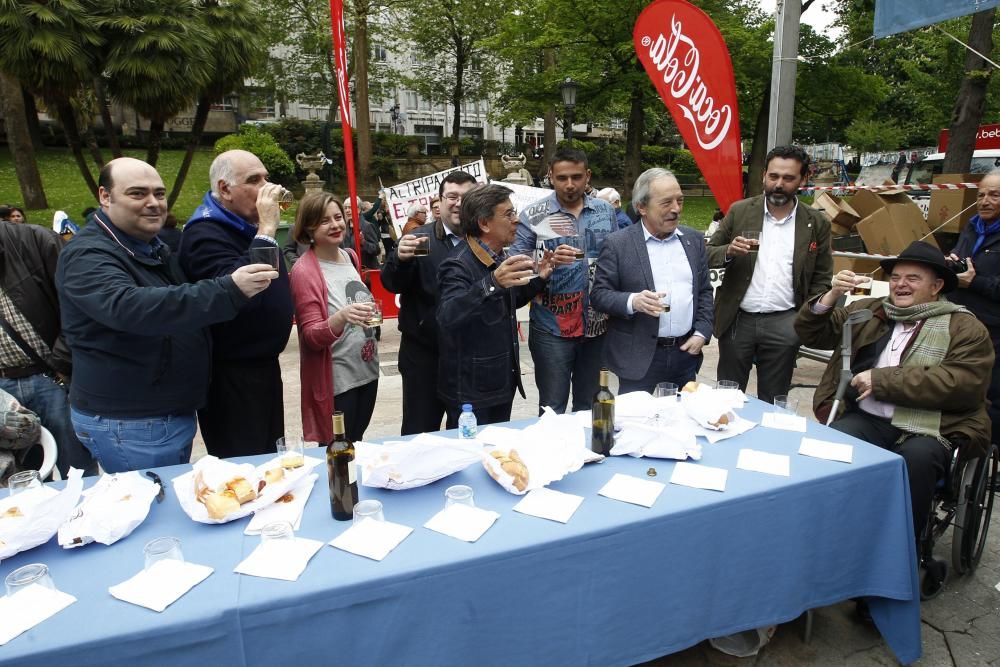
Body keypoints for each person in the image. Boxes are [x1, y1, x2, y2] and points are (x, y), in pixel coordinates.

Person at [57, 157, 278, 473]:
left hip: (160, 415)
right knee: (151, 510)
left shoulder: (149, 247)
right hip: (133, 420)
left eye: (159, 194)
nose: (153, 203)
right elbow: (133, 307)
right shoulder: (87, 254)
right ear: (105, 196)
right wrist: (229, 288)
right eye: (137, 194)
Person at [795, 241, 993, 539]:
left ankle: (900, 545)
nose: (901, 284)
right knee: (832, 447)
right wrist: (832, 295)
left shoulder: (964, 327)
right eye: (896, 277)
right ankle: (830, 533)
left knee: (916, 461)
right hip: (868, 418)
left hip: (932, 426)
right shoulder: (869, 311)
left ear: (937, 285)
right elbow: (812, 332)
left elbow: (962, 383)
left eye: (913, 278)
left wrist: (883, 380)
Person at [179, 149, 294, 459]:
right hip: (232, 377)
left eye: (266, 178)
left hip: (263, 367)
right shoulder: (204, 233)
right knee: (246, 465)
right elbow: (239, 293)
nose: (267, 187)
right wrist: (268, 230)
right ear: (224, 189)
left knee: (272, 458)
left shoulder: (243, 226)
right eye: (254, 180)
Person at [707, 145, 832, 404]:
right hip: (737, 320)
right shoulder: (740, 211)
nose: (779, 184)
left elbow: (822, 277)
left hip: (785, 322)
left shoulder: (816, 222)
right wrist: (729, 251)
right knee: (726, 400)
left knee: (774, 401)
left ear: (803, 179)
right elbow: (706, 253)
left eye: (788, 178)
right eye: (773, 176)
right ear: (764, 175)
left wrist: (802, 321)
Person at [437, 184, 554, 428]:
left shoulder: (498, 256)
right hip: (472, 392)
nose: (517, 220)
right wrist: (491, 282)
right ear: (484, 223)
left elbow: (508, 302)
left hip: (499, 383)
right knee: (471, 458)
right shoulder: (457, 264)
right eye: (509, 214)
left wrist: (540, 277)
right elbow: (448, 316)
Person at [510, 147, 617, 414]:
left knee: (590, 405)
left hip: (596, 326)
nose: (570, 185)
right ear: (550, 176)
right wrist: (542, 264)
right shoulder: (534, 215)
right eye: (562, 178)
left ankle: (588, 454)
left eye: (576, 177)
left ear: (588, 176)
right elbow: (515, 267)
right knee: (552, 408)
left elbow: (617, 259)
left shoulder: (606, 212)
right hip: (551, 328)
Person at [591, 169, 713, 392]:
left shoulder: (693, 240)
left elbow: (704, 291)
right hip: (638, 358)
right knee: (636, 424)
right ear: (642, 207)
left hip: (685, 355)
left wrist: (702, 333)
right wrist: (633, 301)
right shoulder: (618, 244)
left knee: (683, 424)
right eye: (666, 203)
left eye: (680, 200)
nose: (676, 209)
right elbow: (599, 294)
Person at [381, 171, 477, 435]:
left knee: (465, 431)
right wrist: (399, 260)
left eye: (465, 197)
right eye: (452, 197)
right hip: (424, 355)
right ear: (441, 200)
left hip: (468, 356)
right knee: (419, 431)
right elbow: (392, 284)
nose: (458, 203)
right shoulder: (419, 239)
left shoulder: (485, 239)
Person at [0, 217, 97, 477]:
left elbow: (81, 304)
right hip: (2, 393)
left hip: (52, 377)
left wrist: (62, 363)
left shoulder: (34, 240)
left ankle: (84, 515)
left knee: (77, 470)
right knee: (19, 480)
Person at [289, 192, 380, 443]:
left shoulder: (350, 255)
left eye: (338, 217)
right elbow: (310, 337)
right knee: (337, 452)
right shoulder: (304, 271)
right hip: (339, 382)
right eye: (324, 221)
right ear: (308, 227)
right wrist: (341, 317)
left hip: (367, 371)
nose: (336, 225)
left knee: (357, 443)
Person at [948, 170, 1000, 444]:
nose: (985, 201)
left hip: (994, 332)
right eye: (981, 195)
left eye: (994, 195)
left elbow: (981, 279)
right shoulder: (972, 227)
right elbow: (963, 263)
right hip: (962, 324)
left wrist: (975, 282)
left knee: (991, 399)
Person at [343, 196, 381, 270]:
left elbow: (376, 250)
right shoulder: (344, 228)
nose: (347, 210)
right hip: (352, 270)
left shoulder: (367, 226)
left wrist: (363, 242)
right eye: (345, 208)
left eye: (350, 207)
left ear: (359, 209)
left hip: (367, 271)